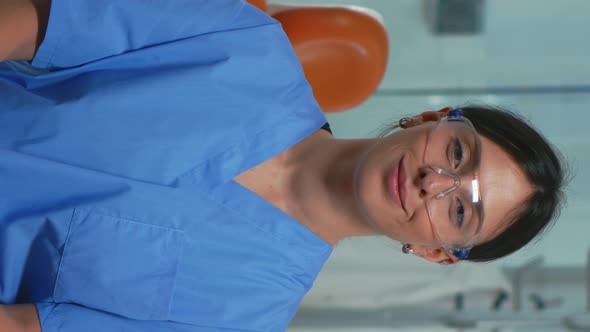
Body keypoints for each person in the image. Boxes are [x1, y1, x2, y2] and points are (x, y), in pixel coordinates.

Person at [0, 1, 567, 331]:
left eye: (462, 210)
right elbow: (27, 23)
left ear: (436, 252)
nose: (432, 183)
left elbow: (27, 327)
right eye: (456, 153)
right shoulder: (245, 43)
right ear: (432, 117)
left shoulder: (242, 317)